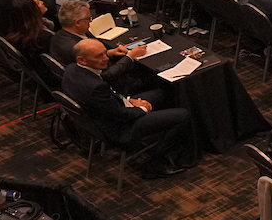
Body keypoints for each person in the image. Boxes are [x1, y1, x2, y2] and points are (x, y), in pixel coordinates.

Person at [61, 38, 196, 173]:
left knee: (163, 92)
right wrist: (142, 108)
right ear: (82, 60)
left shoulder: (72, 69)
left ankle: (166, 134)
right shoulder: (95, 87)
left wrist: (129, 100)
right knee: (184, 115)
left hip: (111, 113)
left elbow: (109, 98)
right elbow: (121, 115)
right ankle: (157, 163)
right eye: (99, 56)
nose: (106, 58)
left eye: (104, 53)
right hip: (121, 129)